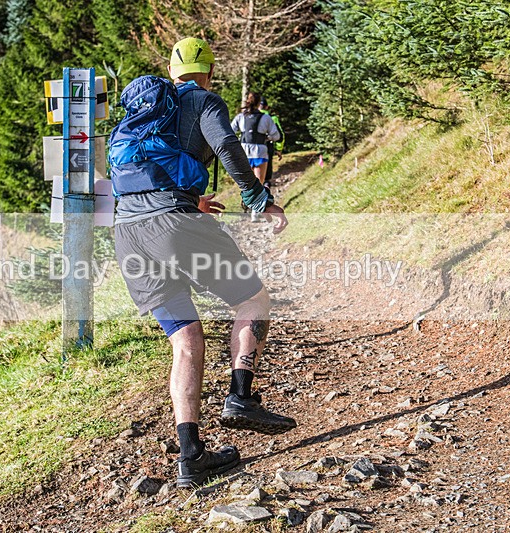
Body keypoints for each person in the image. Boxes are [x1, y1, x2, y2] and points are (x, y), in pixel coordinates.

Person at [112, 37, 296, 489]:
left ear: (170, 72)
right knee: (252, 300)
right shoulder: (204, 100)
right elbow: (229, 149)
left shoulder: (145, 111)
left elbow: (147, 174)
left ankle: (191, 458)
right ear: (209, 71)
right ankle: (240, 397)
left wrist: (191, 200)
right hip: (175, 228)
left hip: (130, 237)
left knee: (186, 340)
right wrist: (260, 199)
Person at [231, 91, 280, 221]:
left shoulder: (240, 117)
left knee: (247, 181)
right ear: (259, 103)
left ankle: (247, 204)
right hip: (260, 151)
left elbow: (230, 131)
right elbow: (276, 136)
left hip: (244, 151)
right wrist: (267, 137)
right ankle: (255, 211)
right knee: (259, 182)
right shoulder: (266, 118)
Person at [259, 97, 285, 188]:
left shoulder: (246, 116)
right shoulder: (272, 118)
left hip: (249, 149)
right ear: (266, 107)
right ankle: (266, 186)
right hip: (267, 146)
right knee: (266, 171)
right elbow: (280, 136)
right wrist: (279, 149)